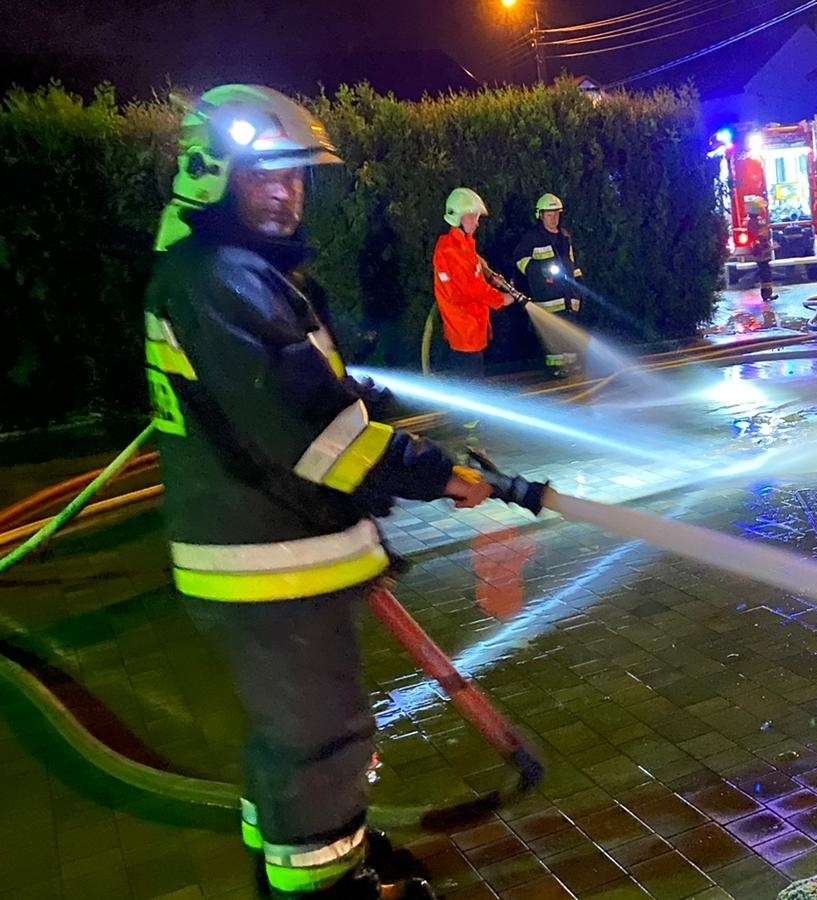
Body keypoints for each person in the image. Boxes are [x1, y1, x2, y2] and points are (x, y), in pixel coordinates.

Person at [144, 84, 507, 900]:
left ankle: (306, 847)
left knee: (291, 738)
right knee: (321, 736)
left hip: (267, 553)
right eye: (263, 177)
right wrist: (436, 474)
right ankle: (324, 881)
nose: (286, 193)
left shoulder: (227, 274)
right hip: (268, 560)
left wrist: (407, 442)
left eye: (297, 177)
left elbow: (320, 396)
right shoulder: (220, 280)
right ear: (211, 176)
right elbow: (314, 434)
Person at [432, 187, 515, 378]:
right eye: (473, 217)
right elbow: (472, 288)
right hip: (464, 330)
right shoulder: (451, 250)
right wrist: (501, 298)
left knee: (472, 383)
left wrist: (489, 274)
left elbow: (474, 266)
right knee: (470, 383)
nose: (477, 223)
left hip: (472, 329)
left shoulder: (463, 245)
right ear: (461, 217)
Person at [512, 193, 585, 377]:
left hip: (567, 294)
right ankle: (555, 366)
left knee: (568, 329)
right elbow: (520, 260)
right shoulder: (533, 238)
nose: (554, 218)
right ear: (541, 215)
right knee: (553, 333)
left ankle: (570, 363)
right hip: (547, 296)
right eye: (550, 214)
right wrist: (539, 271)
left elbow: (571, 263)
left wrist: (577, 286)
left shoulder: (564, 236)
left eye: (557, 214)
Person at [743, 194, 777, 301]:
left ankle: (767, 293)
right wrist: (760, 245)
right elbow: (755, 236)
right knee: (764, 272)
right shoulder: (753, 222)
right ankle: (766, 294)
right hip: (760, 251)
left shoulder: (756, 220)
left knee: (765, 271)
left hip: (762, 250)